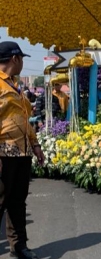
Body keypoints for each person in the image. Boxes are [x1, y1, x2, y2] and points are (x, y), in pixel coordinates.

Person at [0, 41, 45, 259]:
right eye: (22, 59)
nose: (22, 64)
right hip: (3, 154)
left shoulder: (16, 86)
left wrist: (35, 146)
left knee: (17, 201)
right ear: (15, 59)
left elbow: (25, 120)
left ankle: (19, 246)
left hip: (22, 152)